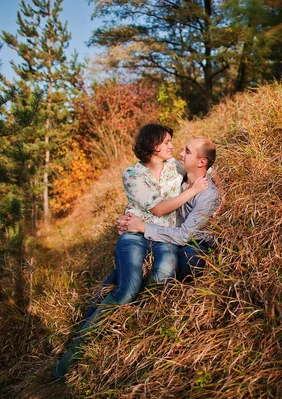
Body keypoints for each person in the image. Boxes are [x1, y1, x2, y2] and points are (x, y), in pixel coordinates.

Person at [54, 124, 208, 378]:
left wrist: (213, 188)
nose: (172, 146)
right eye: (167, 142)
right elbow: (158, 209)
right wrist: (191, 191)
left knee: (165, 274)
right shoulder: (131, 175)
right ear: (154, 146)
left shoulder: (176, 168)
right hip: (135, 234)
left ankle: (124, 297)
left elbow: (202, 169)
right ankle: (76, 351)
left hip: (163, 237)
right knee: (128, 288)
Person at [117, 137, 221, 283]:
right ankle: (117, 289)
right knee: (130, 263)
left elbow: (186, 235)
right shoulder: (179, 173)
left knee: (189, 262)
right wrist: (129, 219)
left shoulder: (208, 195)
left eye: (187, 151)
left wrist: (143, 227)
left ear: (201, 162)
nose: (180, 153)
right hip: (171, 234)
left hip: (194, 241)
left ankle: (144, 295)